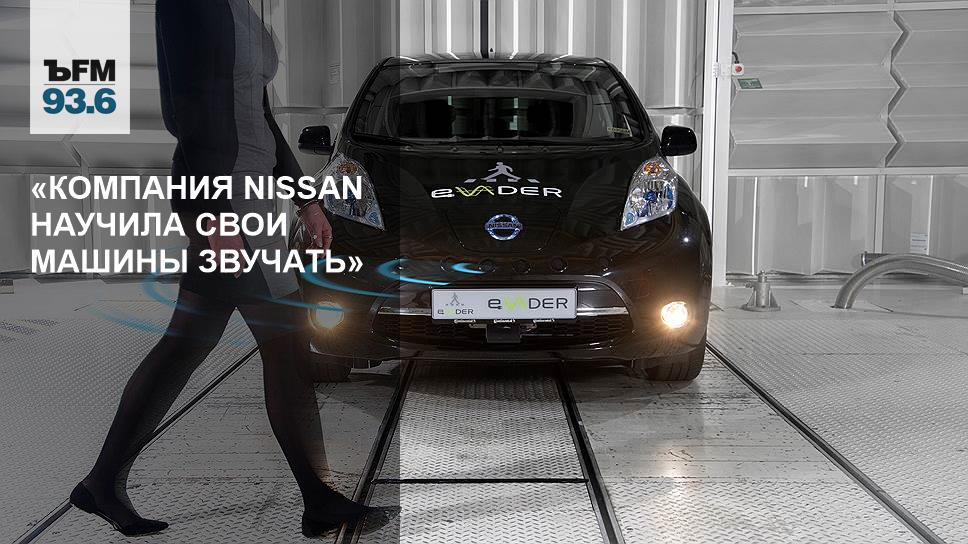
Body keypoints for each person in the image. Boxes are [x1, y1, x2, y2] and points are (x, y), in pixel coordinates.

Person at [70, 0, 386, 537]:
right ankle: (318, 500)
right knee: (287, 342)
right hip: (225, 197)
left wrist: (305, 199)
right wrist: (216, 212)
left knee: (186, 343)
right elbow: (188, 108)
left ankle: (100, 484)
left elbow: (260, 113)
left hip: (251, 192)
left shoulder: (243, 10)